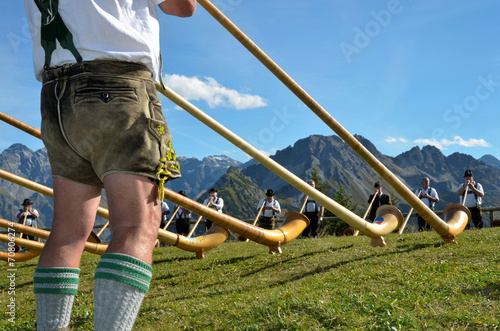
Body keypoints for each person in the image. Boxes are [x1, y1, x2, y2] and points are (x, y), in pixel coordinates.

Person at [23, 1, 196, 330]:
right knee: (137, 225)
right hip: (117, 83)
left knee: (67, 232)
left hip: (55, 94)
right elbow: (183, 7)